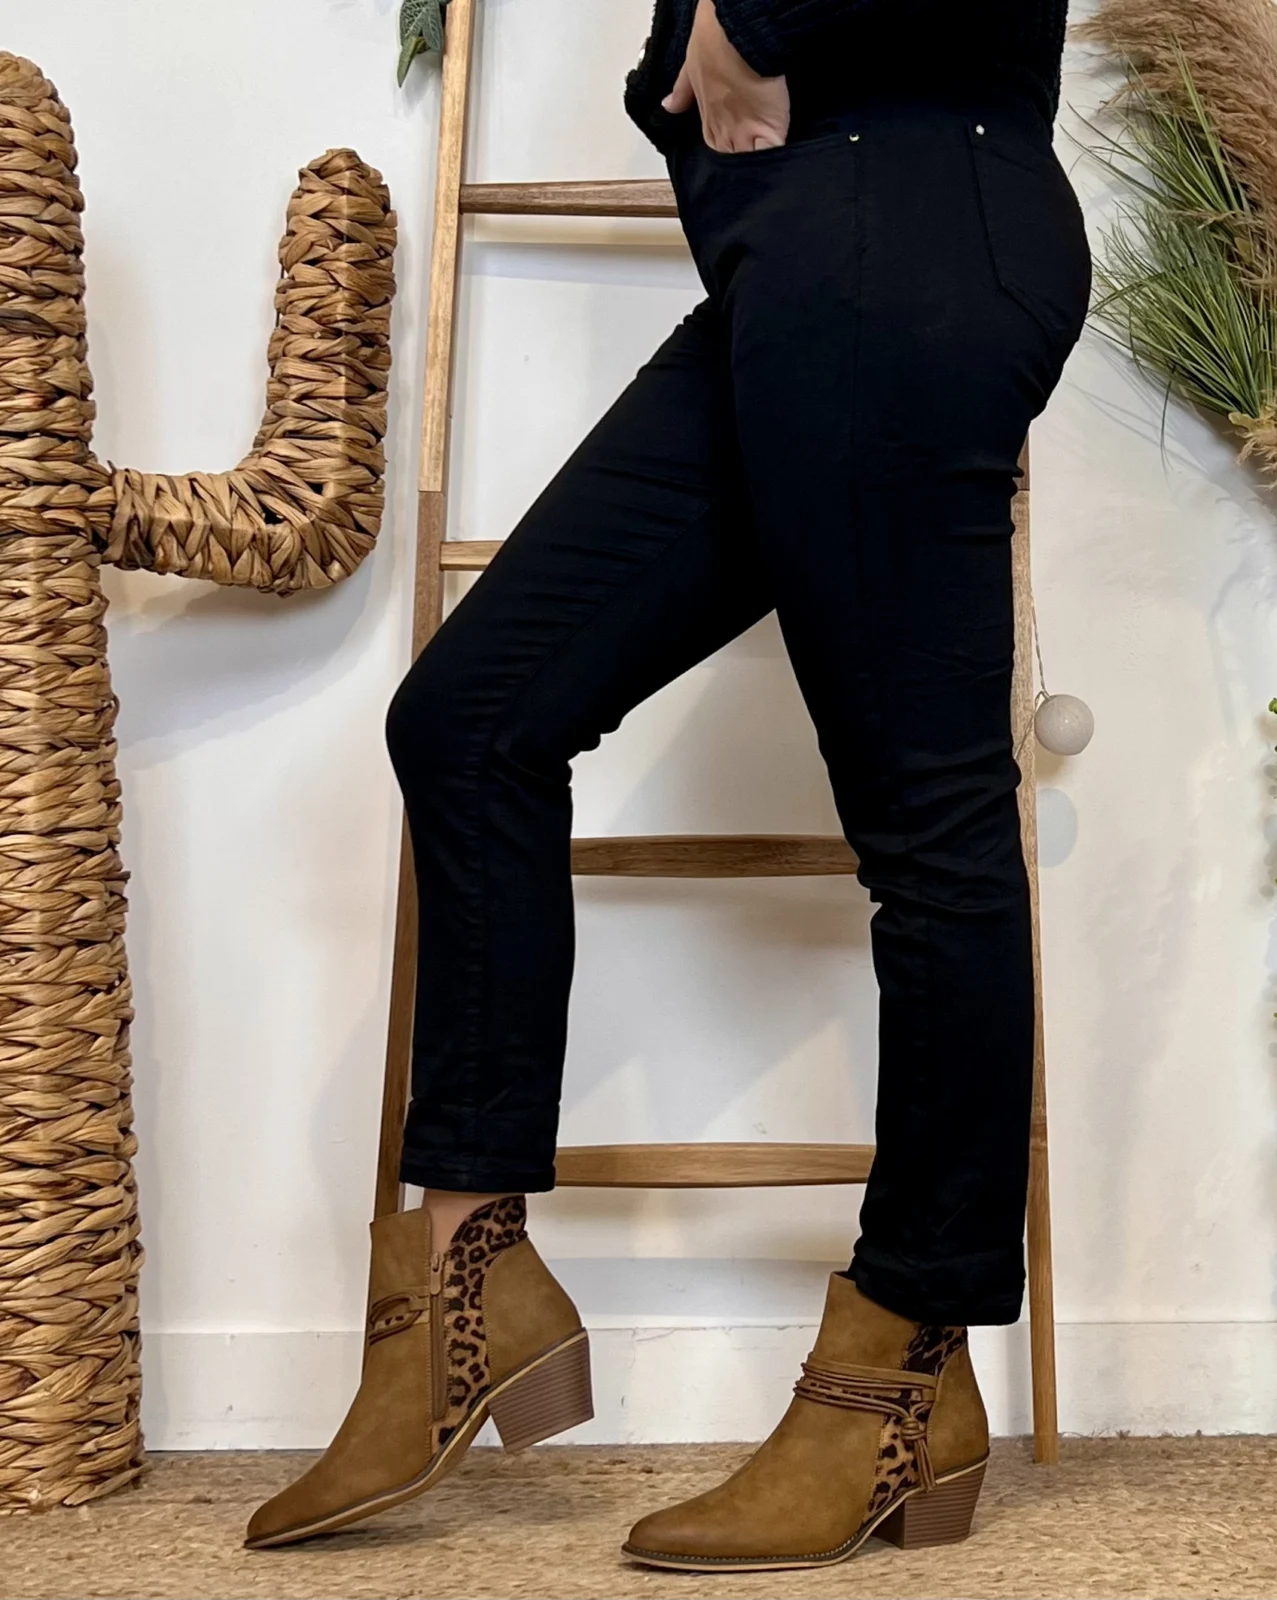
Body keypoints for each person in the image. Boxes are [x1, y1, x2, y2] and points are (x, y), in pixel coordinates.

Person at [246, 0, 1086, 1571]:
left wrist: (746, 18)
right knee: (473, 720)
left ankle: (903, 1365)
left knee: (931, 832)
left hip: (906, 212)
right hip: (805, 243)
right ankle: (468, 1280)